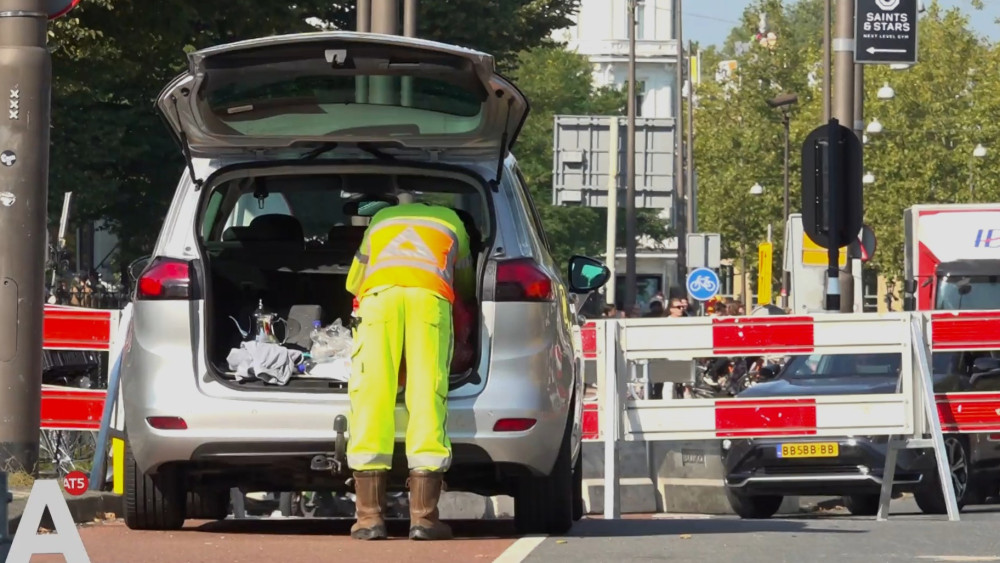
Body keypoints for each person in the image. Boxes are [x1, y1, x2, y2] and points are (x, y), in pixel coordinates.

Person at [345, 200, 475, 542]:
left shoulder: (381, 220)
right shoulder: (452, 222)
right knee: (426, 394)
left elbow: (354, 282)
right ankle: (424, 519)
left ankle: (369, 519)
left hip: (379, 301)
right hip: (430, 301)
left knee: (372, 394)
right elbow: (464, 284)